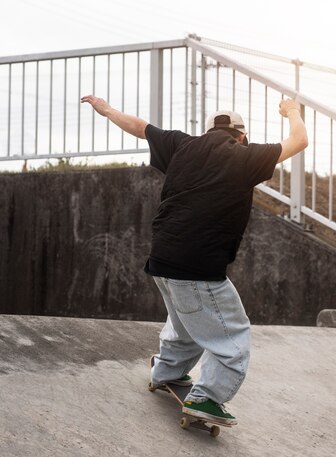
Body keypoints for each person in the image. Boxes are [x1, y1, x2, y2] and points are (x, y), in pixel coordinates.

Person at [81, 94, 308, 425]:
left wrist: (107, 110)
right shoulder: (247, 156)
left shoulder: (180, 145)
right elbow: (299, 140)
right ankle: (206, 398)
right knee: (232, 337)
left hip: (162, 260)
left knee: (186, 322)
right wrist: (292, 110)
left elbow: (140, 127)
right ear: (242, 135)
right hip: (199, 267)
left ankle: (165, 371)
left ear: (206, 132)